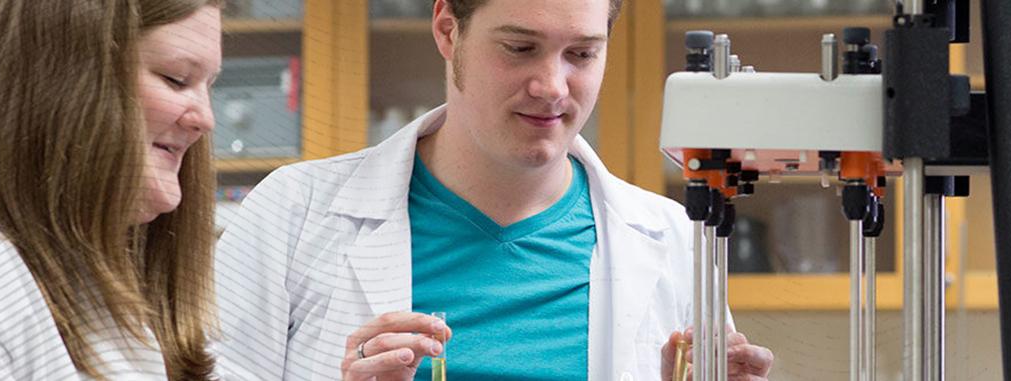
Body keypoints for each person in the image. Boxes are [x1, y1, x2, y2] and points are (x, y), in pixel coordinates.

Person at [210, 0, 775, 379]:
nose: (552, 87)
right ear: (448, 29)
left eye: (581, 53)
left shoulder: (671, 236)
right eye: (519, 48)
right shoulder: (291, 213)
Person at [0, 0, 225, 378]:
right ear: (65, 81)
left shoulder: (107, 284)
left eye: (209, 86)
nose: (205, 119)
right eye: (176, 78)